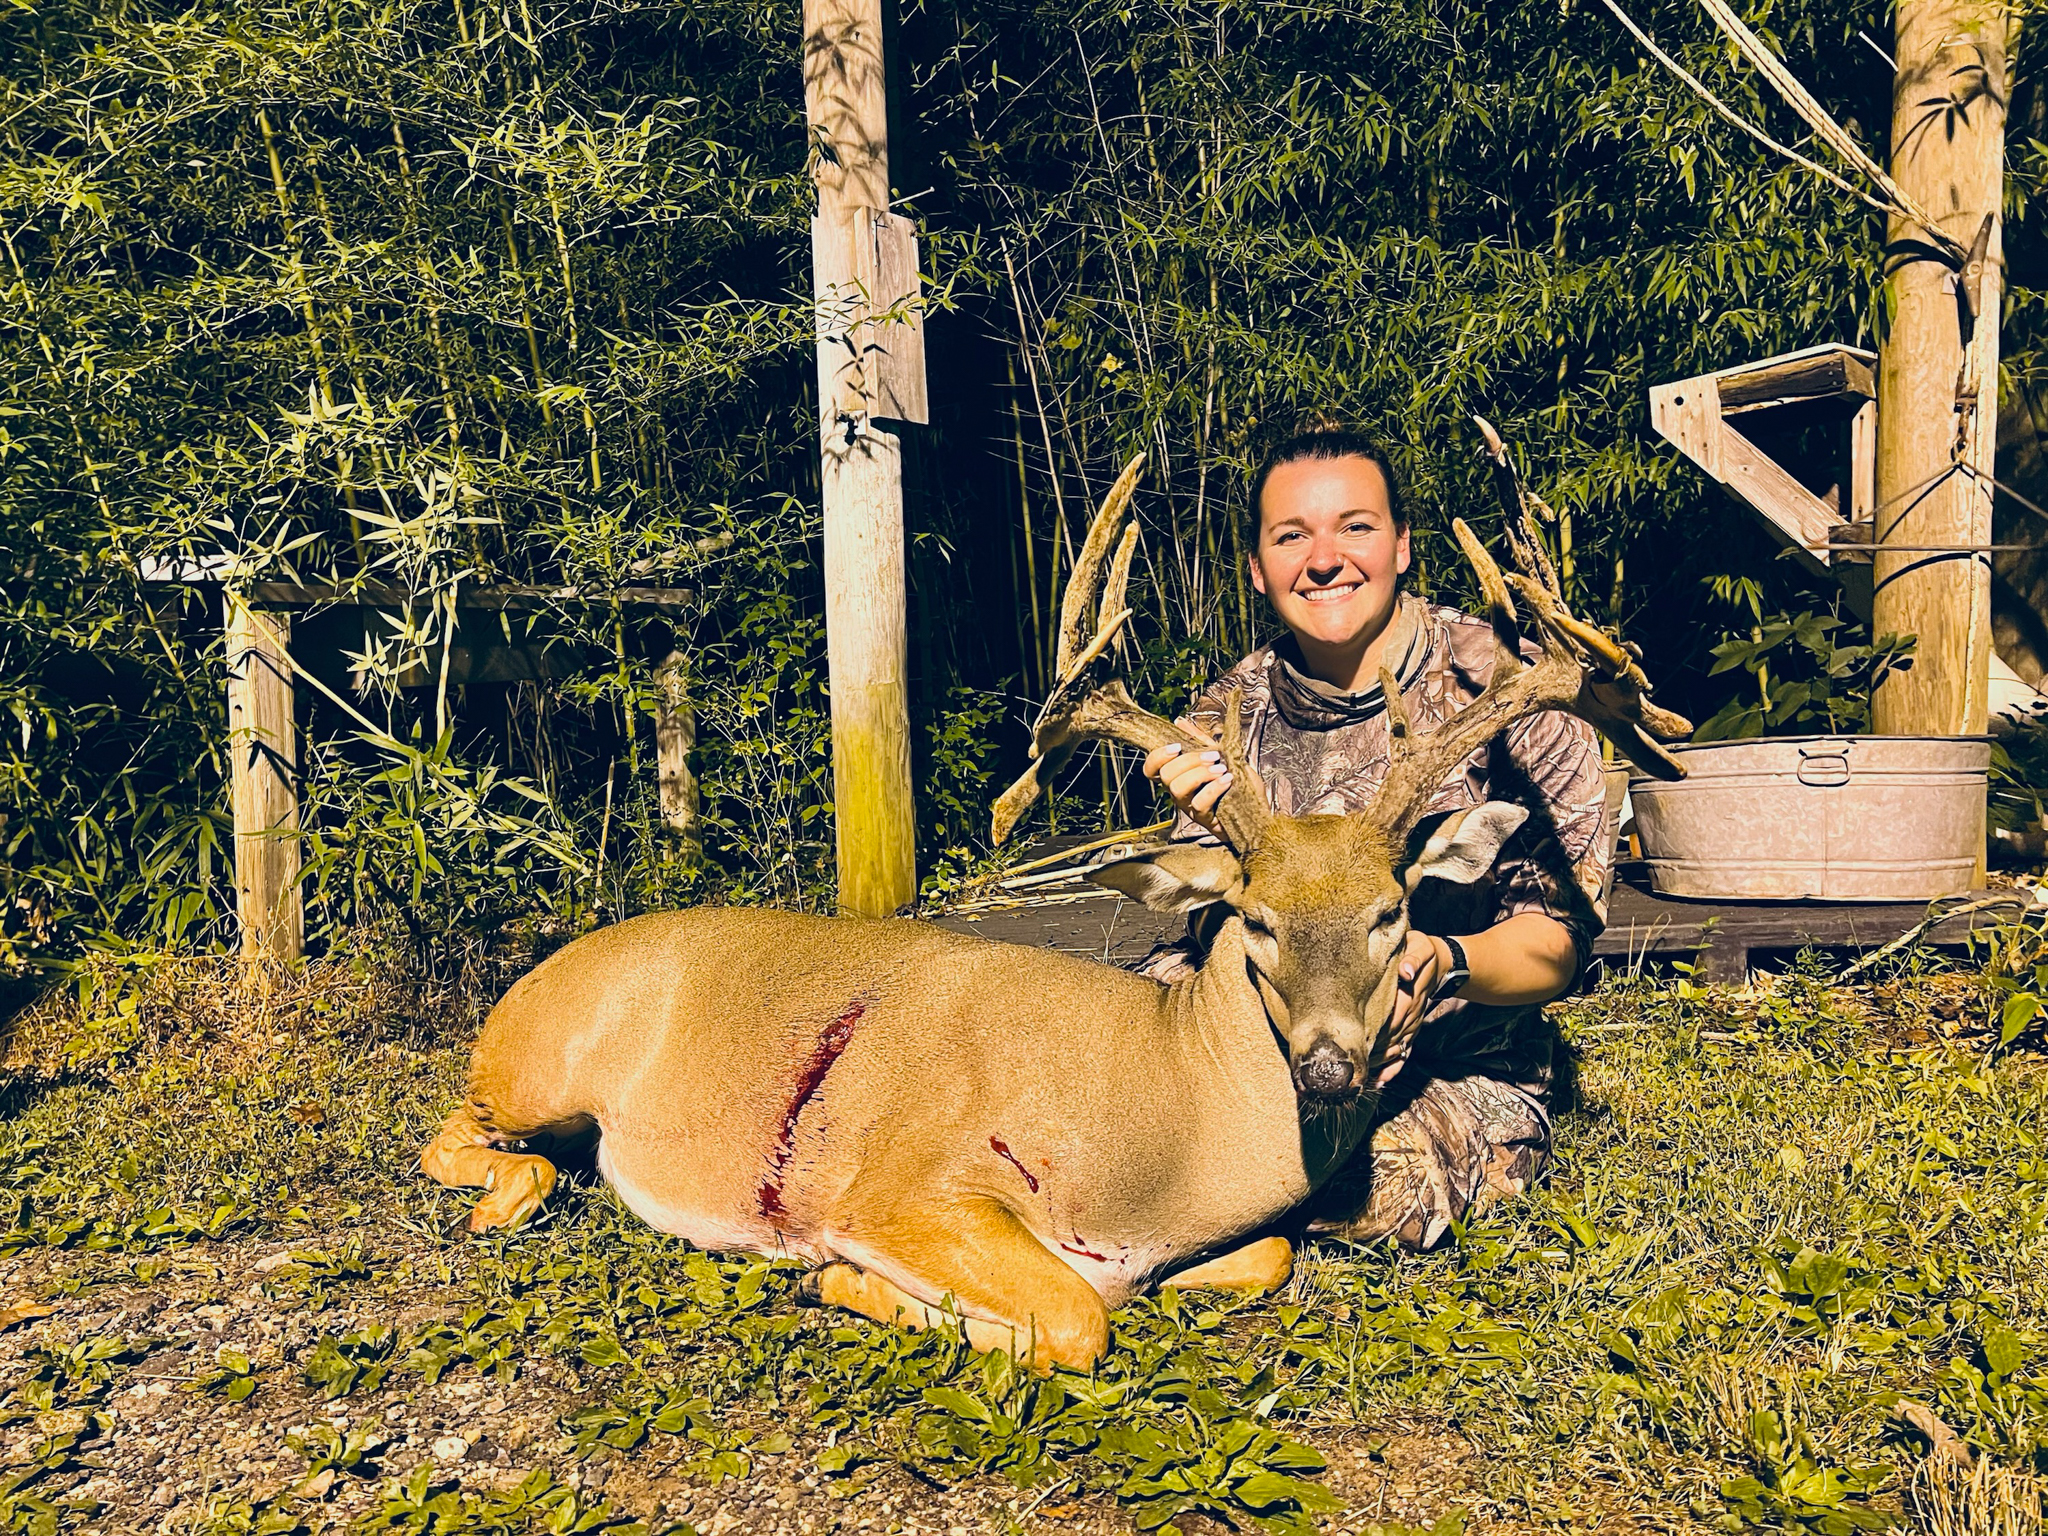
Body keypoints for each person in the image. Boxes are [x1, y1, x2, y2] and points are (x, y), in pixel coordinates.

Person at [1136, 424, 1615, 1250]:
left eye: (1356, 527)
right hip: (1261, 1041)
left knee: (1365, 1193)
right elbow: (1217, 932)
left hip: (1456, 1059)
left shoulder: (1509, 693)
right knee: (1098, 1130)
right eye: (1292, 536)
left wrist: (1443, 962)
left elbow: (1557, 949)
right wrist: (1209, 828)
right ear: (1257, 568)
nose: (1325, 560)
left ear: (1400, 547)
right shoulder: (1220, 721)